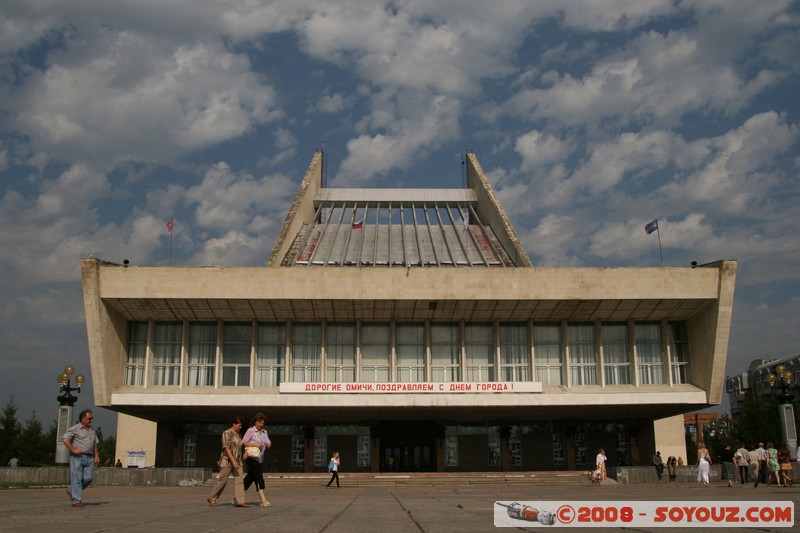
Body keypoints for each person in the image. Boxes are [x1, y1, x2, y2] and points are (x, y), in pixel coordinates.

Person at [207, 416, 249, 508]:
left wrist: (245, 452)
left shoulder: (239, 434)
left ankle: (240, 501)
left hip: (238, 461)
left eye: (241, 425)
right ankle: (212, 497)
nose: (240, 427)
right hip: (227, 461)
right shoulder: (226, 433)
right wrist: (233, 461)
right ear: (233, 424)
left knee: (239, 480)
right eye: (239, 425)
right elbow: (226, 448)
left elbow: (240, 445)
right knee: (223, 480)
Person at [62, 409, 100, 507]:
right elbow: (65, 439)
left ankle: (72, 490)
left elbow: (94, 443)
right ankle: (76, 500)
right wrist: (73, 449)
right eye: (89, 418)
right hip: (77, 457)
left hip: (89, 457)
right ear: (83, 419)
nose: (91, 420)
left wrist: (97, 455)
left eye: (91, 418)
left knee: (88, 478)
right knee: (77, 478)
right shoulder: (75, 428)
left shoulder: (92, 430)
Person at [242, 412, 272, 507]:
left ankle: (237, 497)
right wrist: (255, 444)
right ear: (255, 422)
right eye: (259, 422)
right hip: (251, 457)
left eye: (262, 423)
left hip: (259, 458)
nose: (260, 425)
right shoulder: (251, 431)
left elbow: (268, 442)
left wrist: (268, 444)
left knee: (250, 478)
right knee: (258, 477)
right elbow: (243, 442)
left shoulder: (264, 432)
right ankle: (263, 500)